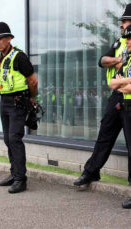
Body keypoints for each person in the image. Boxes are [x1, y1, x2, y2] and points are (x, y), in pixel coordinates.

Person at [74, 4, 131, 187]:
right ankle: (91, 172)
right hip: (117, 97)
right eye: (122, 21)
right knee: (105, 134)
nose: (122, 25)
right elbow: (102, 61)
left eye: (125, 21)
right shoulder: (120, 43)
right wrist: (117, 60)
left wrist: (121, 80)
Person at [0, 22, 38, 193]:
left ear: (9, 38)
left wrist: (32, 98)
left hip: (18, 101)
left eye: (0, 38)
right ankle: (14, 173)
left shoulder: (19, 57)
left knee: (14, 139)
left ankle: (21, 179)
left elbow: (33, 81)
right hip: (4, 101)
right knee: (7, 138)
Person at [109, 24, 131, 209]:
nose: (129, 41)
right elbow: (112, 83)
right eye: (128, 38)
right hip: (126, 107)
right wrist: (126, 81)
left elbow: (121, 84)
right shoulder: (127, 59)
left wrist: (122, 82)